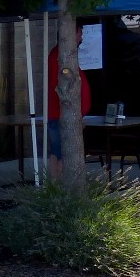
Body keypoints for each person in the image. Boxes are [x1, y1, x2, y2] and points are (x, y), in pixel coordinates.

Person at [47, 24, 91, 180]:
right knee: (59, 152)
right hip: (59, 114)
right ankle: (57, 183)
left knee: (59, 151)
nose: (81, 38)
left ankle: (57, 183)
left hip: (64, 114)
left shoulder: (63, 55)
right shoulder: (59, 56)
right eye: (79, 34)